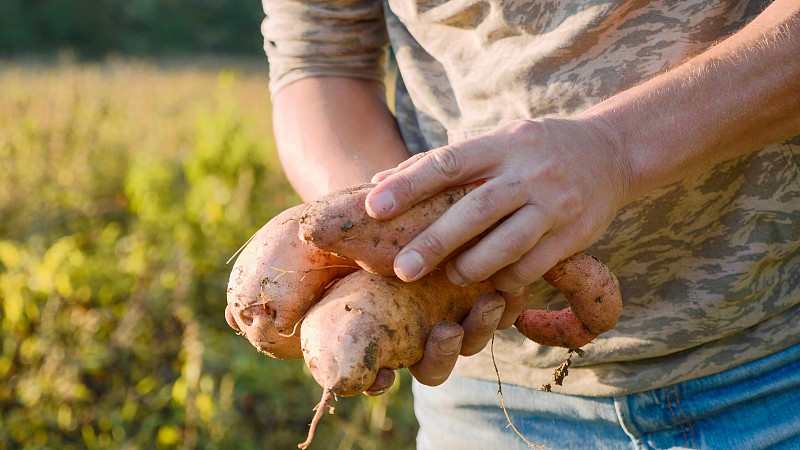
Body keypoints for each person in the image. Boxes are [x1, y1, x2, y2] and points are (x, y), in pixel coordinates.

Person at [262, 0, 800, 447]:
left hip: (773, 365)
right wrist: (405, 245)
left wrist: (615, 152)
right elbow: (318, 56)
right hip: (486, 412)